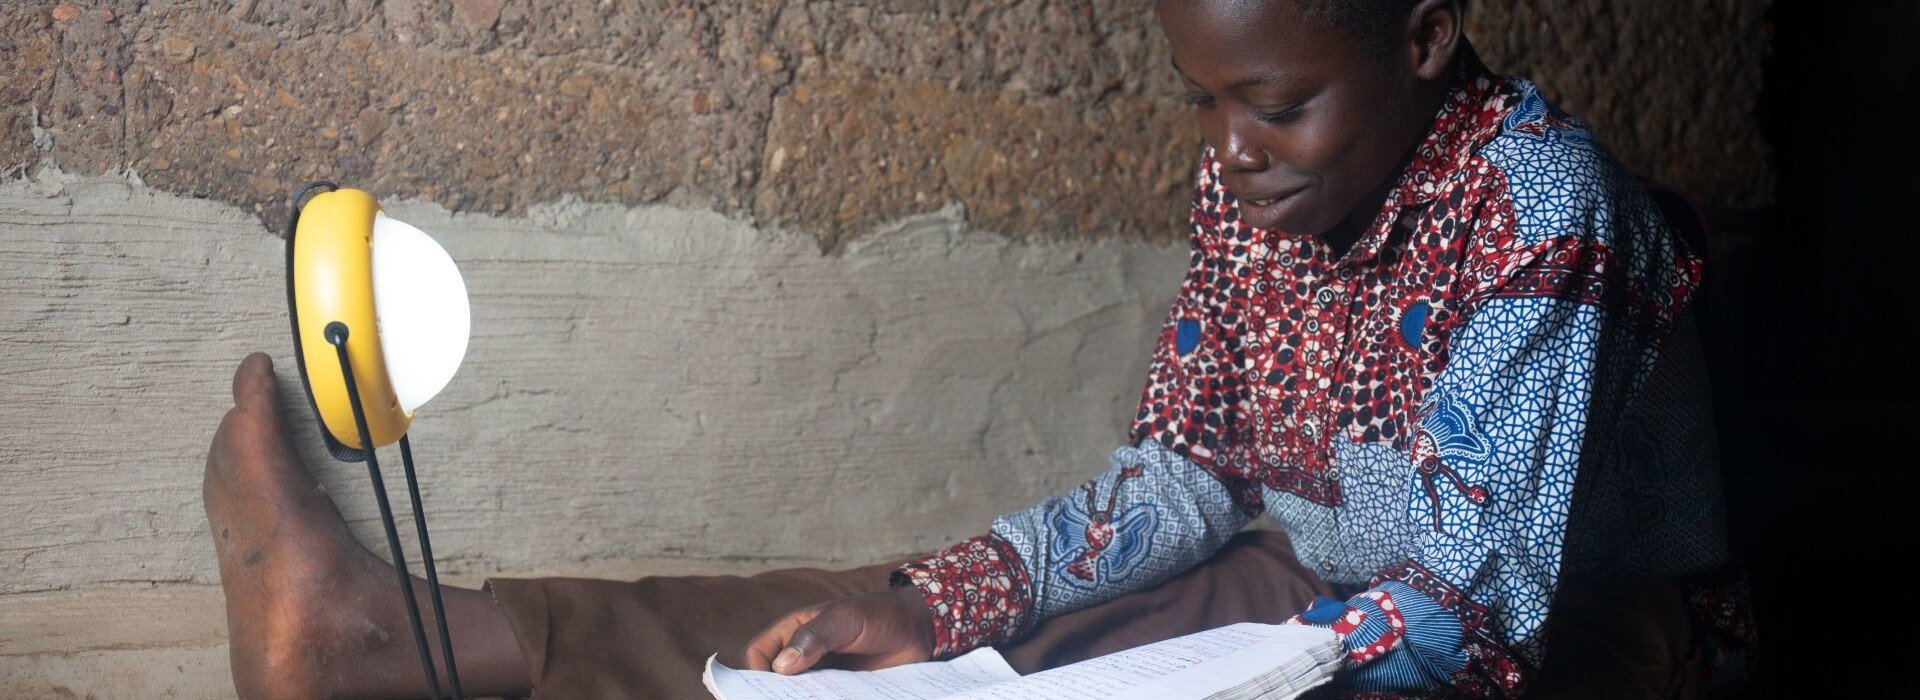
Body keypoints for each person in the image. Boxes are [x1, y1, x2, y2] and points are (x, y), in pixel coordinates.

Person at [202, 0, 1754, 698]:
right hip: (1313, 596)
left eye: (1275, 104)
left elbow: (1475, 621)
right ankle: (402, 642)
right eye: (1205, 101)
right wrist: (935, 603)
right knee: (883, 641)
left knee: (1059, 679)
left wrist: (1200, 668)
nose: (1229, 152)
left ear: (1422, 36)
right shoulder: (1266, 177)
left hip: (1581, 643)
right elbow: (1183, 477)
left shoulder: (1543, 210)